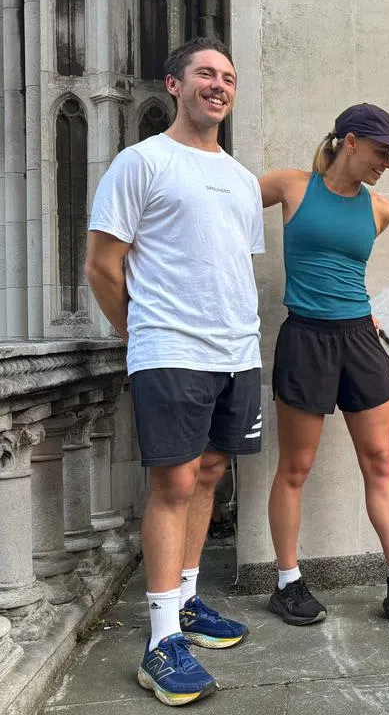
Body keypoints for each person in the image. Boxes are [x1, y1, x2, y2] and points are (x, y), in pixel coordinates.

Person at [86, 37, 260, 706]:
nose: (218, 85)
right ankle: (161, 643)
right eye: (206, 74)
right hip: (170, 353)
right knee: (174, 483)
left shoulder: (242, 180)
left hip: (235, 354)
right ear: (175, 85)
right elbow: (103, 264)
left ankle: (186, 602)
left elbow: (230, 266)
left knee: (212, 472)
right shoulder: (143, 162)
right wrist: (142, 335)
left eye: (228, 77)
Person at [258, 103, 389, 626]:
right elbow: (215, 214)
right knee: (297, 467)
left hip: (360, 342)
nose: (387, 162)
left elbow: (346, 272)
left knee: (380, 461)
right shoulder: (291, 186)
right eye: (381, 150)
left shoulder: (380, 210)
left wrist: (363, 315)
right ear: (349, 142)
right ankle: (287, 582)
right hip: (306, 338)